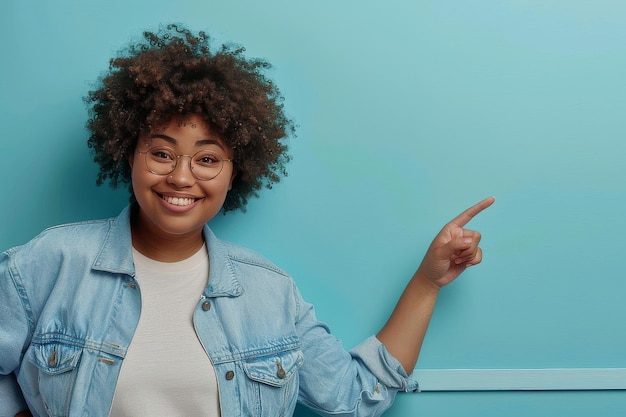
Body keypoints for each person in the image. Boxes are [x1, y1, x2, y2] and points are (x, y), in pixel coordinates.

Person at [0, 24, 494, 417]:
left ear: (236, 172)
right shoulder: (47, 263)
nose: (181, 177)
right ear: (128, 154)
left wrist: (428, 284)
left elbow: (354, 395)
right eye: (161, 153)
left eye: (208, 159)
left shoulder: (269, 294)